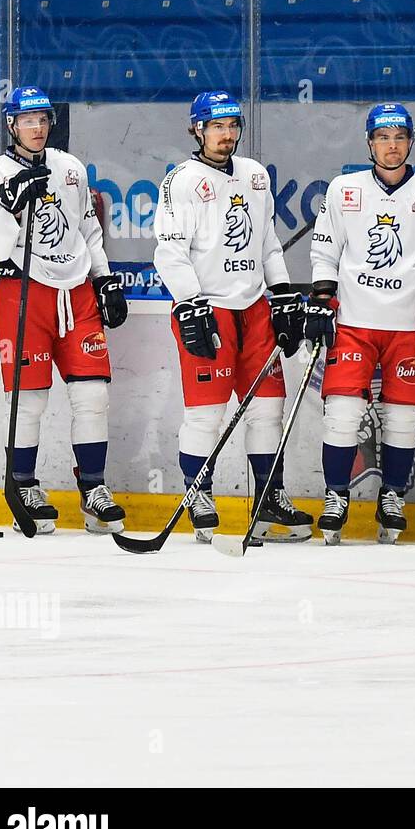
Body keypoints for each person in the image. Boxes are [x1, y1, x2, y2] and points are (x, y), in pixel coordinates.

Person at [154, 90, 311, 543]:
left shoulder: (255, 176)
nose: (227, 135)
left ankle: (268, 499)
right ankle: (197, 492)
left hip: (255, 308)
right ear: (196, 129)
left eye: (232, 125)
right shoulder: (181, 181)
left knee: (267, 408)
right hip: (208, 308)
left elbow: (267, 243)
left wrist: (281, 295)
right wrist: (189, 302)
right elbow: (169, 252)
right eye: (217, 126)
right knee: (206, 414)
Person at [0, 85, 128, 534]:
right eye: (27, 120)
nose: (36, 128)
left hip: (77, 292)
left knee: (93, 396)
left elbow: (88, 230)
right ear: (11, 125)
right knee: (28, 401)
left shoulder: (70, 168)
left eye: (42, 119)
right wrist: (9, 203)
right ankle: (24, 487)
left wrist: (104, 278)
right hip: (23, 292)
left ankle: (93, 490)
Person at [305, 102, 415, 544]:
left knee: (402, 418)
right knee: (341, 414)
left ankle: (392, 495)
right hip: (355, 321)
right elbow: (325, 251)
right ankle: (336, 495)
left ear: (411, 142)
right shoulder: (343, 190)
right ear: (369, 143)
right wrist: (320, 299)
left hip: (408, 326)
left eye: (399, 138)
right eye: (382, 138)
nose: (391, 147)